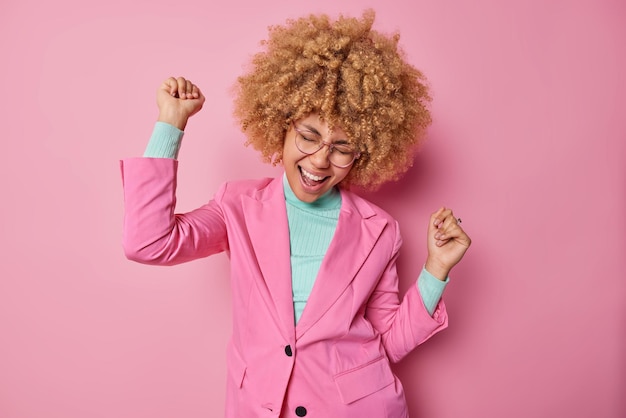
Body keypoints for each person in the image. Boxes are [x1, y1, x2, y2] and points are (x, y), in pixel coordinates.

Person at [121, 9, 471, 418]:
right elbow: (148, 243)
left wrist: (435, 270)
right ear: (282, 125)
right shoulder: (238, 206)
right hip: (260, 406)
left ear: (363, 154)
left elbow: (389, 341)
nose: (321, 160)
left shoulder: (381, 231)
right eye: (309, 135)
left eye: (342, 147)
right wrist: (171, 123)